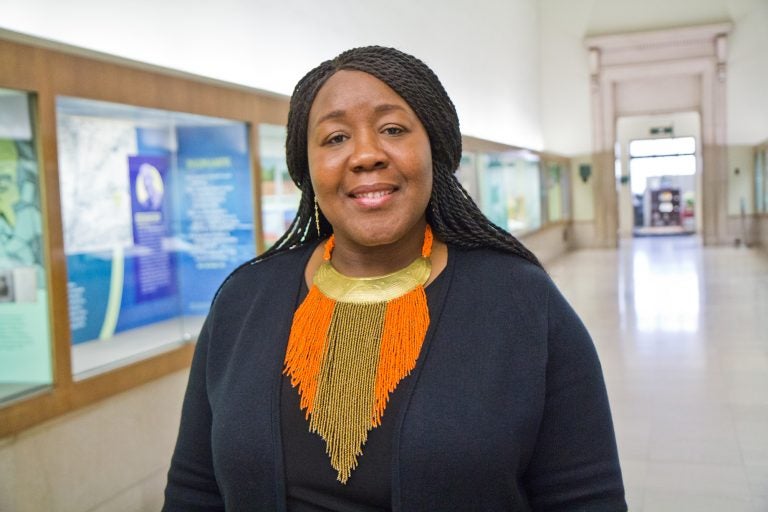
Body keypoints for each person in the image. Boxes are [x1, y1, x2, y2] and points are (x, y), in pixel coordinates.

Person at [163, 46, 627, 511]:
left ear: (435, 149)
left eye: (392, 129)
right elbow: (195, 489)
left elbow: (586, 498)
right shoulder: (244, 301)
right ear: (305, 167)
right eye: (335, 137)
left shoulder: (522, 300)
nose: (365, 155)